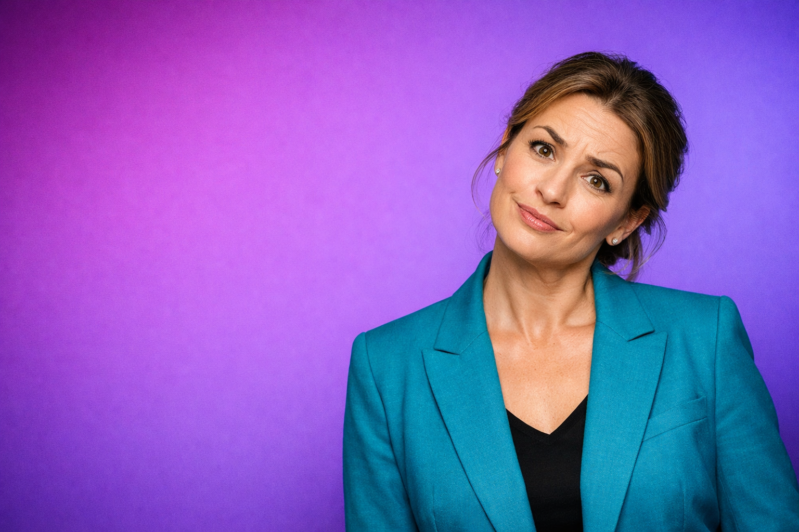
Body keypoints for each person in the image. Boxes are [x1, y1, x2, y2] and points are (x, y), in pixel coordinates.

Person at [342, 52, 799, 531]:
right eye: (543, 149)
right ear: (504, 149)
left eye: (597, 180)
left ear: (626, 221)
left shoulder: (705, 340)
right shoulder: (386, 366)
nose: (554, 189)